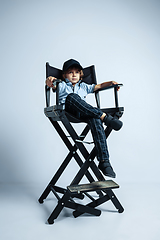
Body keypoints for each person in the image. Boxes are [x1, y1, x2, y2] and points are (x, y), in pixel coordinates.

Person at [45, 59, 123, 178]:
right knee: (72, 97)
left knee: (95, 119)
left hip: (83, 112)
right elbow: (50, 83)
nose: (74, 75)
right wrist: (49, 80)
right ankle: (105, 117)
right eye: (70, 72)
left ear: (81, 74)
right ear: (64, 75)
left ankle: (104, 162)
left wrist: (110, 83)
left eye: (77, 72)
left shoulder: (84, 86)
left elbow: (99, 86)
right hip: (67, 111)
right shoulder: (61, 84)